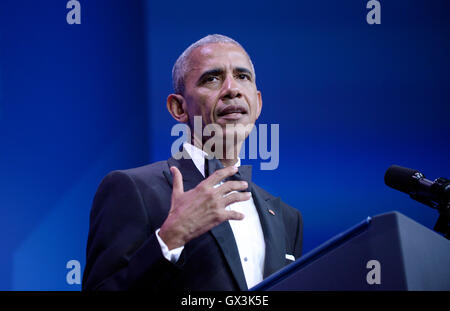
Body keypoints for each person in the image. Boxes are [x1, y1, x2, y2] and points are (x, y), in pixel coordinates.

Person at [82, 34, 303, 291]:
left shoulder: (287, 218)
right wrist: (169, 238)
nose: (232, 89)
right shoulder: (132, 189)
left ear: (258, 103)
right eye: (212, 78)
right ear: (178, 108)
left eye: (243, 77)